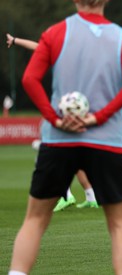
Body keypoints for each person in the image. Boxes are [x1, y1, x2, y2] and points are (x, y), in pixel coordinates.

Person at [8, 0, 122, 274]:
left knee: (35, 220)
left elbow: (29, 80)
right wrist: (98, 117)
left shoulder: (55, 33)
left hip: (59, 140)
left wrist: (55, 119)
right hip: (107, 142)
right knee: (119, 225)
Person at [6, 33, 99, 211]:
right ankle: (90, 196)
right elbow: (37, 47)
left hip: (64, 111)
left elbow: (38, 48)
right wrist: (16, 41)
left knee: (56, 155)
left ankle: (66, 196)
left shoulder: (65, 58)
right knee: (73, 157)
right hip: (78, 109)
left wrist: (16, 41)